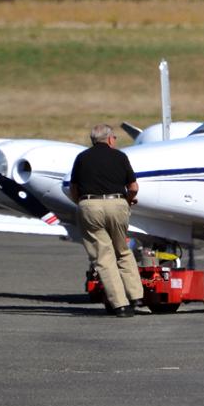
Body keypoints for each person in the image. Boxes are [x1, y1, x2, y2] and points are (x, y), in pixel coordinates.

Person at [68, 124, 144, 317]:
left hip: (90, 205)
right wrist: (126, 201)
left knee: (103, 257)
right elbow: (133, 187)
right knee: (123, 250)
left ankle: (120, 305)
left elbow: (74, 188)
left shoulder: (82, 158)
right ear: (110, 139)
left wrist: (82, 204)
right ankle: (136, 295)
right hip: (117, 203)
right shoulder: (120, 157)